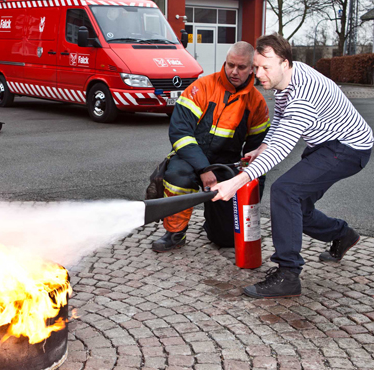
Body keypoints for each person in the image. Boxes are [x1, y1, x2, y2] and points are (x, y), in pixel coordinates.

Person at [212, 33, 373, 299]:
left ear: (285, 63)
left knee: (285, 191)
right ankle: (342, 234)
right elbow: (280, 122)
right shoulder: (286, 79)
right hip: (324, 143)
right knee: (297, 206)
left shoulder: (303, 94)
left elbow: (284, 146)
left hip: (349, 148)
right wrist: (261, 148)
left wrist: (237, 181)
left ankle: (288, 275)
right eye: (256, 67)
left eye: (266, 67)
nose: (258, 74)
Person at [152, 41, 270, 252]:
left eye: (241, 67)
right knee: (178, 177)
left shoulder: (257, 103)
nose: (234, 71)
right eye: (230, 65)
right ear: (225, 63)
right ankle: (175, 233)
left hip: (226, 166)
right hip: (189, 159)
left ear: (251, 69)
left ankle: (215, 222)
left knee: (225, 239)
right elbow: (180, 133)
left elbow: (257, 152)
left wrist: (247, 187)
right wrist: (203, 168)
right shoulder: (201, 88)